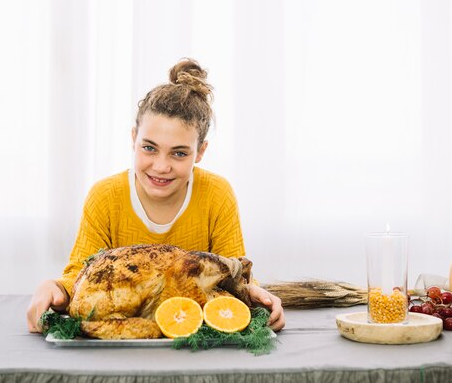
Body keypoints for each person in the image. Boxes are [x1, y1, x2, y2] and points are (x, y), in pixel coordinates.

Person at [26, 58, 285, 333]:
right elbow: (79, 277)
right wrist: (52, 287)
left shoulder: (216, 195)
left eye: (179, 153)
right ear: (134, 138)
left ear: (200, 152)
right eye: (149, 148)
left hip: (192, 332)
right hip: (120, 339)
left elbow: (234, 274)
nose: (161, 166)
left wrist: (257, 295)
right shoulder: (105, 197)